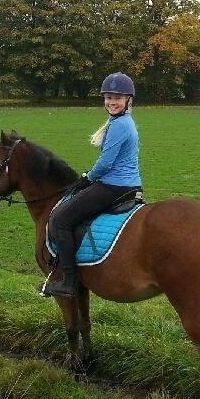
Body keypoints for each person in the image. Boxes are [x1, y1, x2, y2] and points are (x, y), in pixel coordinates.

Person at [41, 72, 142, 299]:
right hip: (126, 184)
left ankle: (68, 281)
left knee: (61, 219)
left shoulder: (119, 125)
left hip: (113, 186)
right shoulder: (122, 121)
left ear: (128, 100)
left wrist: (87, 178)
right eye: (108, 97)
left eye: (117, 97)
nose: (112, 102)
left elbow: (106, 163)